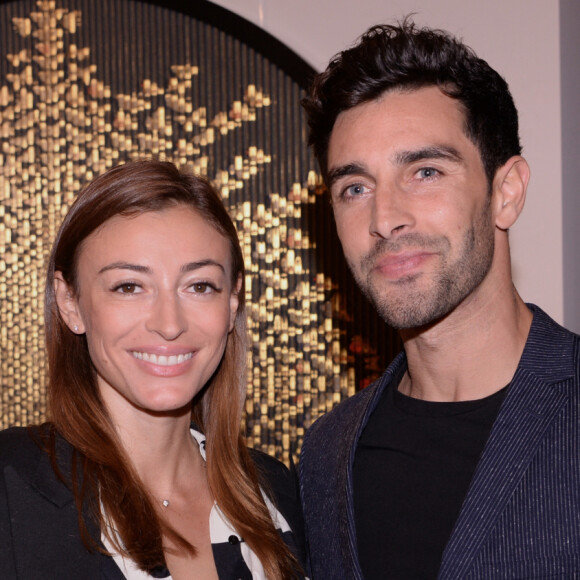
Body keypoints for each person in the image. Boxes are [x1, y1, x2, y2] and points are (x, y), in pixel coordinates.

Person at [298, 19, 580, 580]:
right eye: (355, 188)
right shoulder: (326, 455)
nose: (384, 218)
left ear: (506, 193)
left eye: (425, 172)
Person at [0, 160, 305, 579]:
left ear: (232, 302)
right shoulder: (9, 484)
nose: (169, 323)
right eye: (129, 286)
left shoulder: (277, 490)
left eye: (199, 286)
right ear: (70, 303)